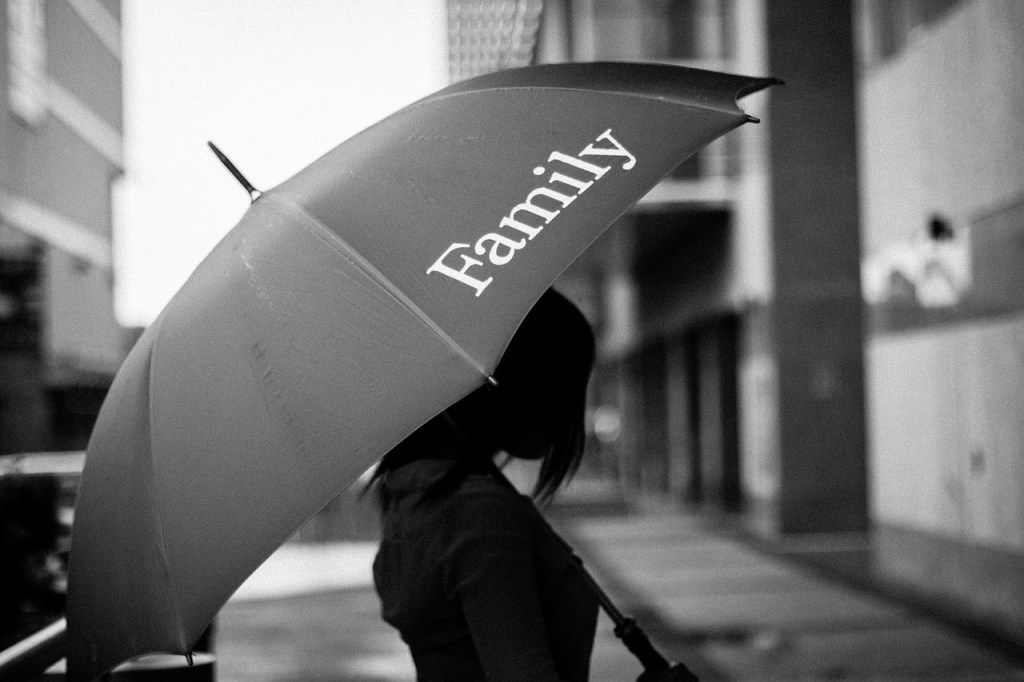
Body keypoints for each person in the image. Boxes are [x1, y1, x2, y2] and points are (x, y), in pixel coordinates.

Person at [368, 288, 599, 681]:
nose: (568, 413)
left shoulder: (415, 489)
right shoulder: (478, 512)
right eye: (562, 388)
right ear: (518, 382)